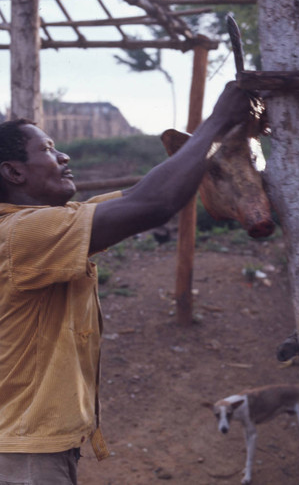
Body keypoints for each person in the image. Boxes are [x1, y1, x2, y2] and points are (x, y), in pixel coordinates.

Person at [0, 82, 251, 484]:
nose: (63, 155)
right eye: (47, 149)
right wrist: (219, 119)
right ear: (13, 172)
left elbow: (140, 196)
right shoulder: (20, 234)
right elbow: (152, 204)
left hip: (30, 442)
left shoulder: (42, 226)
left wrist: (216, 143)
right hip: (21, 453)